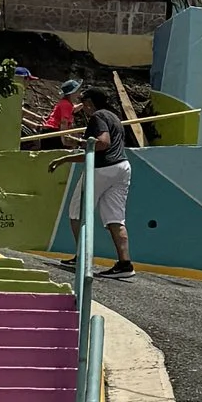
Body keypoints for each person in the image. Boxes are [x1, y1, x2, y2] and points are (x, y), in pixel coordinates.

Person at [63, 95, 135, 276]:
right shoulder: (114, 117)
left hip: (101, 169)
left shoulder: (98, 117)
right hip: (122, 167)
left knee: (76, 211)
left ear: (89, 104)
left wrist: (78, 142)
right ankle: (125, 264)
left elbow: (102, 144)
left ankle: (82, 257)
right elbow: (95, 151)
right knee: (115, 218)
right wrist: (66, 158)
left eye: (84, 105)